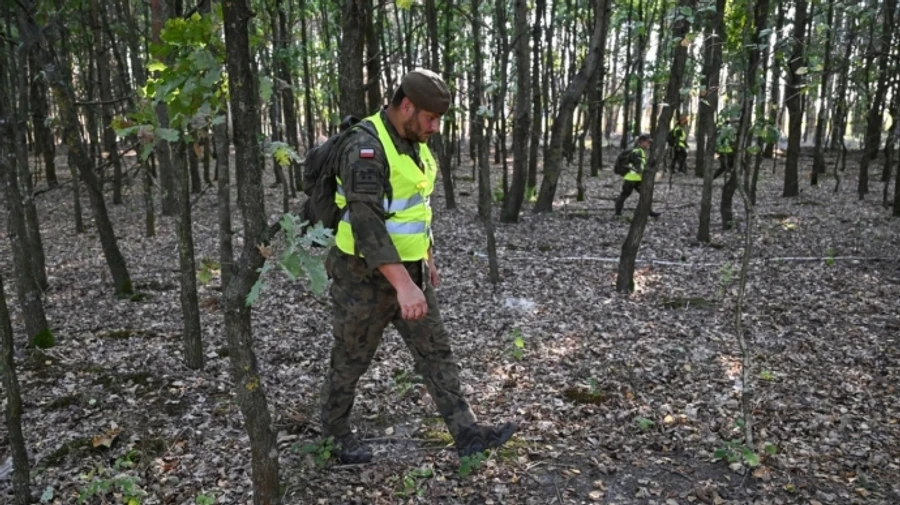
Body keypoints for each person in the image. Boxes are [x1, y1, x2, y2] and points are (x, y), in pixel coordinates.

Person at [320, 68, 517, 464]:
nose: (436, 127)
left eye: (439, 119)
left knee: (435, 351)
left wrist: (427, 259)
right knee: (351, 359)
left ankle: (467, 433)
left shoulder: (414, 143)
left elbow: (413, 208)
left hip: (411, 272)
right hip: (362, 278)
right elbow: (365, 223)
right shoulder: (365, 146)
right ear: (406, 106)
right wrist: (403, 286)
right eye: (430, 117)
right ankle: (334, 436)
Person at [614, 133, 661, 218]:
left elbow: (640, 165)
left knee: (645, 195)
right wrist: (647, 173)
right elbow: (638, 167)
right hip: (631, 178)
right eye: (647, 142)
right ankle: (617, 213)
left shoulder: (639, 151)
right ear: (641, 142)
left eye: (649, 142)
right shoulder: (637, 152)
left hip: (637, 178)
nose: (649, 144)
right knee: (625, 195)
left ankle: (649, 212)